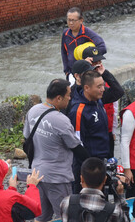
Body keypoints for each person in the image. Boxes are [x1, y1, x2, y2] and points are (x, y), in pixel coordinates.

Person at [23, 78, 90, 222]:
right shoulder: (61, 120)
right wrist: (94, 163)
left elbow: (27, 137)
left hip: (37, 173)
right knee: (64, 216)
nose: (70, 98)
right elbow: (76, 147)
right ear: (59, 98)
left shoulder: (33, 110)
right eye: (68, 95)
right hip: (57, 177)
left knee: (41, 216)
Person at [68, 70, 110, 192]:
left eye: (103, 85)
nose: (103, 89)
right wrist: (90, 167)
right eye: (99, 86)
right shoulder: (78, 111)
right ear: (86, 87)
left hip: (101, 160)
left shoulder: (98, 101)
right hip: (87, 167)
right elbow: (77, 143)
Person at [0, 155, 44, 222]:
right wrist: (32, 186)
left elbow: (2, 207)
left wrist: (12, 188)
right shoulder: (11, 198)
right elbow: (35, 210)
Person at [60, 157, 130, 222]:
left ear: (81, 179)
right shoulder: (114, 211)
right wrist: (120, 197)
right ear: (104, 180)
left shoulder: (67, 203)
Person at [61, 7, 107, 78]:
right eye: (69, 20)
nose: (71, 23)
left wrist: (90, 59)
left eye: (73, 20)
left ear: (81, 20)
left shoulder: (88, 33)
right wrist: (66, 71)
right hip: (71, 72)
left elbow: (102, 47)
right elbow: (63, 52)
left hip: (87, 73)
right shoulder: (65, 33)